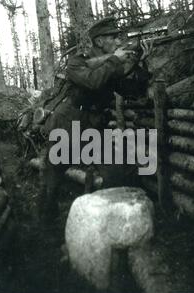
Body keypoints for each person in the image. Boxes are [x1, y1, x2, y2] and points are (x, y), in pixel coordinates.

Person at [39, 17, 152, 218]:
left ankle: (105, 217)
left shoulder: (111, 64)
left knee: (117, 172)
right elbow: (93, 82)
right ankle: (46, 220)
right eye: (113, 37)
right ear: (99, 41)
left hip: (94, 124)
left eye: (119, 37)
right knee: (52, 175)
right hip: (67, 122)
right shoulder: (77, 61)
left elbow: (130, 90)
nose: (119, 41)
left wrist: (139, 62)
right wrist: (116, 60)